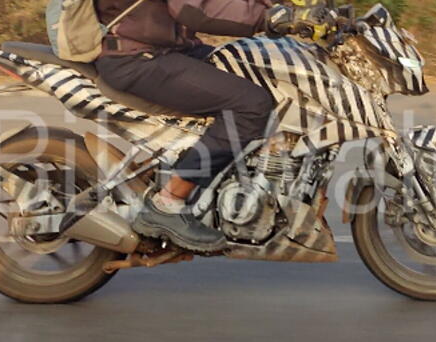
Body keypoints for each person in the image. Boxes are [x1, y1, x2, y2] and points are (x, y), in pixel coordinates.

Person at [95, 0, 332, 252]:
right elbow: (194, 9)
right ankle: (168, 203)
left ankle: (245, 183)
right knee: (250, 105)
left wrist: (293, 7)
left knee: (264, 70)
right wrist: (269, 18)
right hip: (135, 59)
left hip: (170, 49)